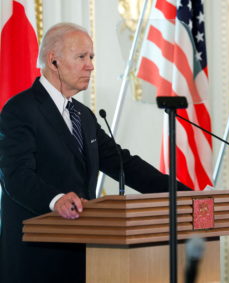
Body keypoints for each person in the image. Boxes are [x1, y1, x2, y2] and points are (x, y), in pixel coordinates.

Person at [0, 22, 189, 283]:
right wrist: (56, 200)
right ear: (53, 61)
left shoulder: (83, 115)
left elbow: (124, 164)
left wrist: (184, 195)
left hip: (83, 258)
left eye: (91, 57)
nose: (90, 65)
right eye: (81, 57)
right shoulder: (20, 109)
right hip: (36, 259)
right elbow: (15, 176)